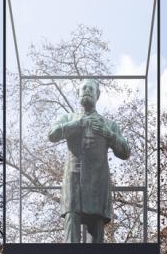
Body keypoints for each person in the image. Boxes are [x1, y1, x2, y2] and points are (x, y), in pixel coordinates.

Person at [48, 78, 130, 243]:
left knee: (96, 231)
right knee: (72, 220)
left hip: (98, 180)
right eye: (83, 88)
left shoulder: (108, 124)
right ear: (78, 93)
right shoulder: (69, 118)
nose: (86, 91)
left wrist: (109, 134)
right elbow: (52, 134)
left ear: (97, 95)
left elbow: (125, 152)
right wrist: (78, 123)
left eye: (90, 89)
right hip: (74, 177)